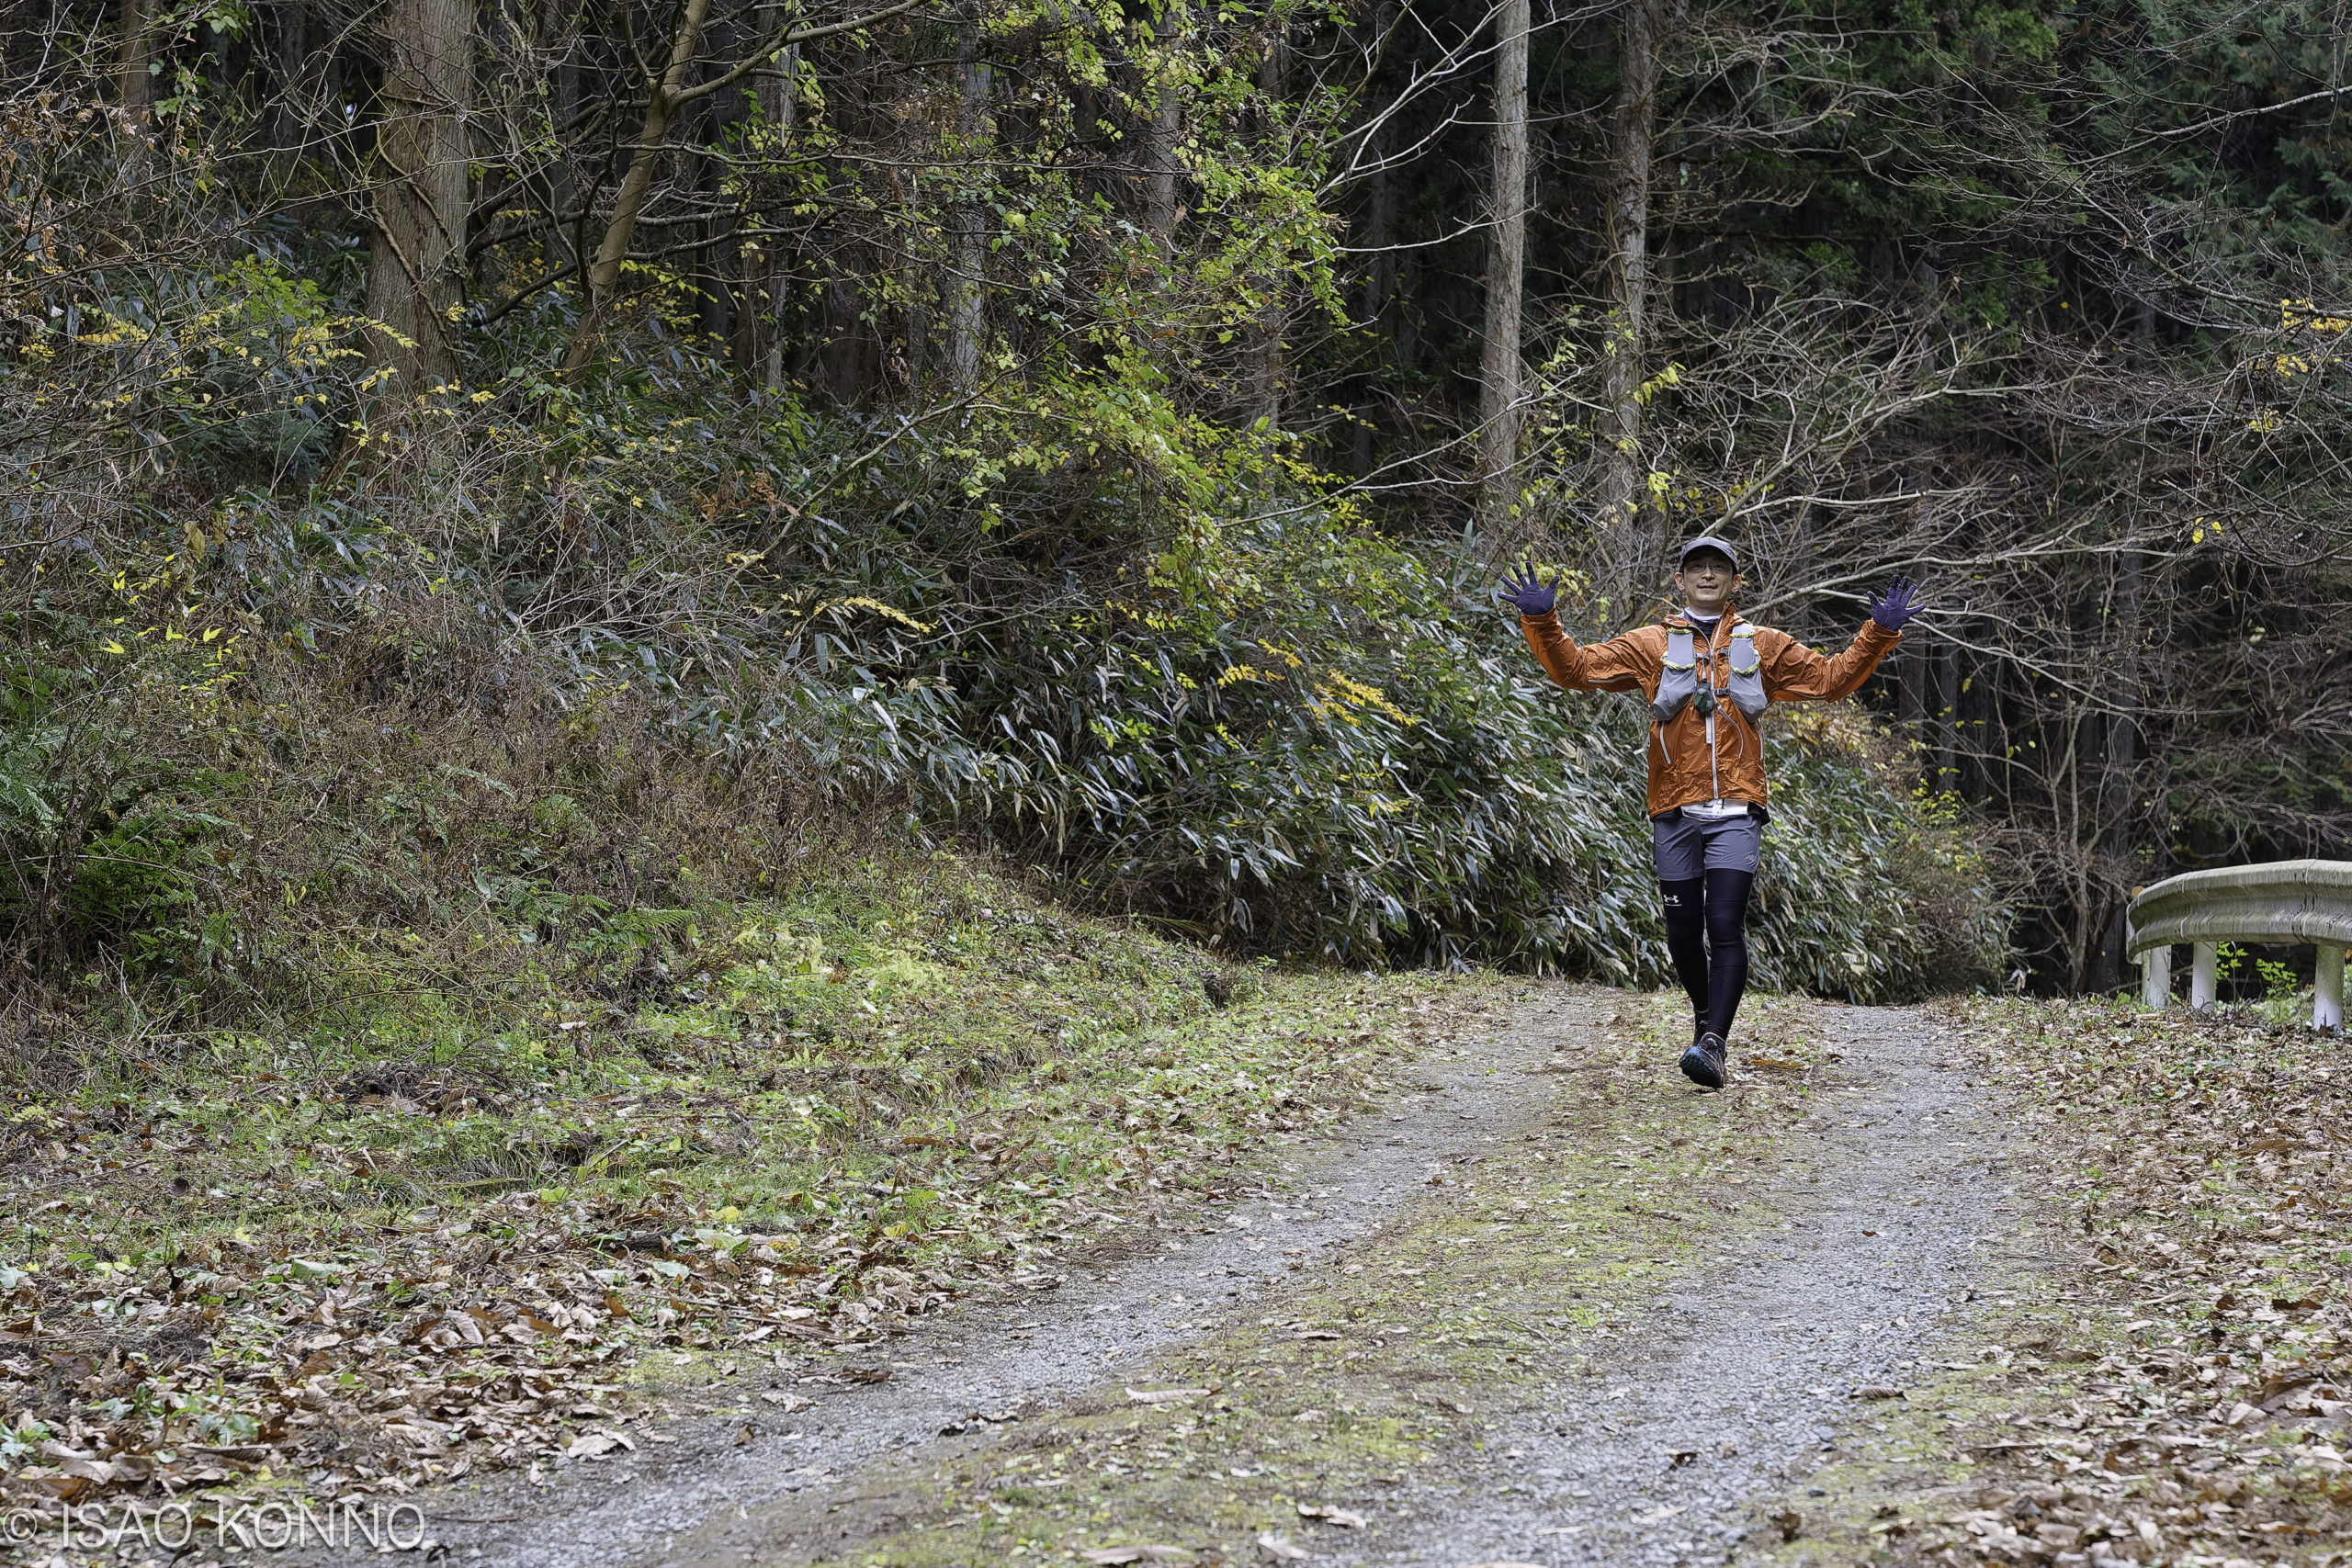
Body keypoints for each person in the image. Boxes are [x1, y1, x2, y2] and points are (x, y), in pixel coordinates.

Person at [1499, 537, 1919, 1089]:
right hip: (1674, 809)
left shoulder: (1763, 645)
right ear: (1679, 580)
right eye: (1696, 567)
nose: (1706, 574)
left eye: (1717, 568)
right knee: (1681, 934)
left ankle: (1715, 1042)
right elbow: (1576, 670)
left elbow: (1830, 680)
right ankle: (1706, 1024)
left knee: (1724, 924)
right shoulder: (1650, 644)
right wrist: (1543, 621)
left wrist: (1878, 633)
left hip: (1737, 809)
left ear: (1734, 582)